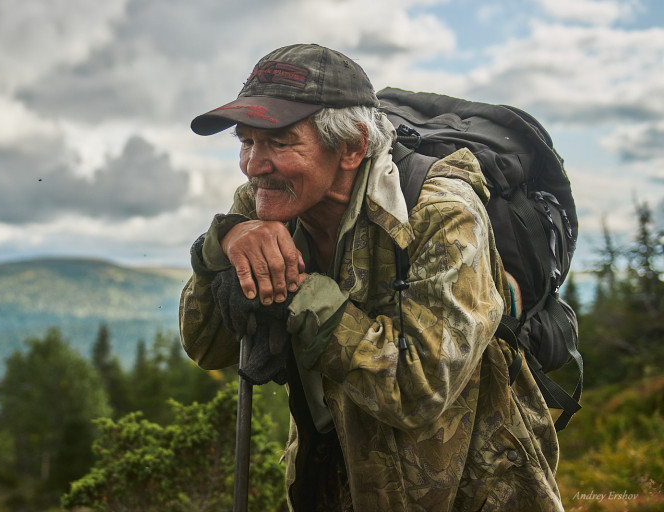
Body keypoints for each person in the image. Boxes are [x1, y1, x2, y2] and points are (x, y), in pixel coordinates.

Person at [179, 43, 563, 511]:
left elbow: (421, 389)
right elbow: (205, 346)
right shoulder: (260, 204)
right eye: (247, 141)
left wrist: (299, 296)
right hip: (331, 476)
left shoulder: (442, 214)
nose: (253, 165)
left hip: (467, 490)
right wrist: (218, 250)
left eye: (279, 143)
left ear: (352, 147)